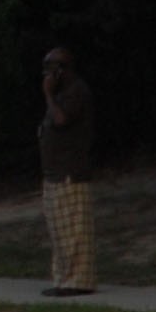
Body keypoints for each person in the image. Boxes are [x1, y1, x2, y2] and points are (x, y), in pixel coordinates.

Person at [39, 49, 98, 296]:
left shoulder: (76, 92)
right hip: (55, 173)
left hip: (69, 173)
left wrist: (48, 94)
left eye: (50, 70)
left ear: (62, 69)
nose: (47, 76)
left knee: (73, 232)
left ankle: (78, 281)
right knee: (59, 232)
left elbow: (61, 120)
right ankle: (63, 278)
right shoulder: (64, 94)